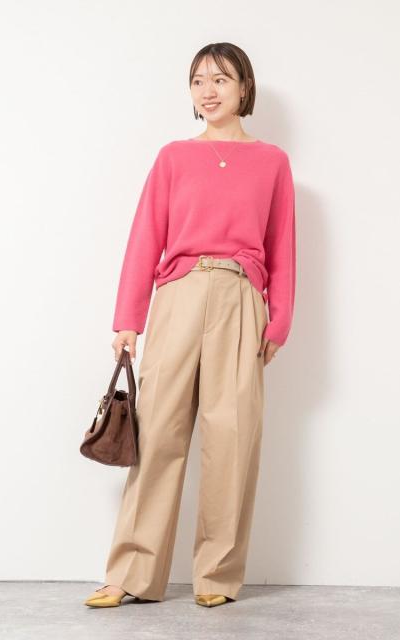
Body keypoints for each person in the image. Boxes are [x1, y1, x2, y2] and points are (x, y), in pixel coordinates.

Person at [85, 41, 296, 609]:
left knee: (232, 436)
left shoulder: (272, 162)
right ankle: (132, 574)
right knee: (157, 433)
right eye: (199, 80)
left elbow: (281, 244)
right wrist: (128, 319)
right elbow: (145, 237)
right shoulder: (174, 157)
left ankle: (217, 576)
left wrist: (279, 321)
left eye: (221, 79)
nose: (208, 90)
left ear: (244, 88)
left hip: (240, 297)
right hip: (177, 294)